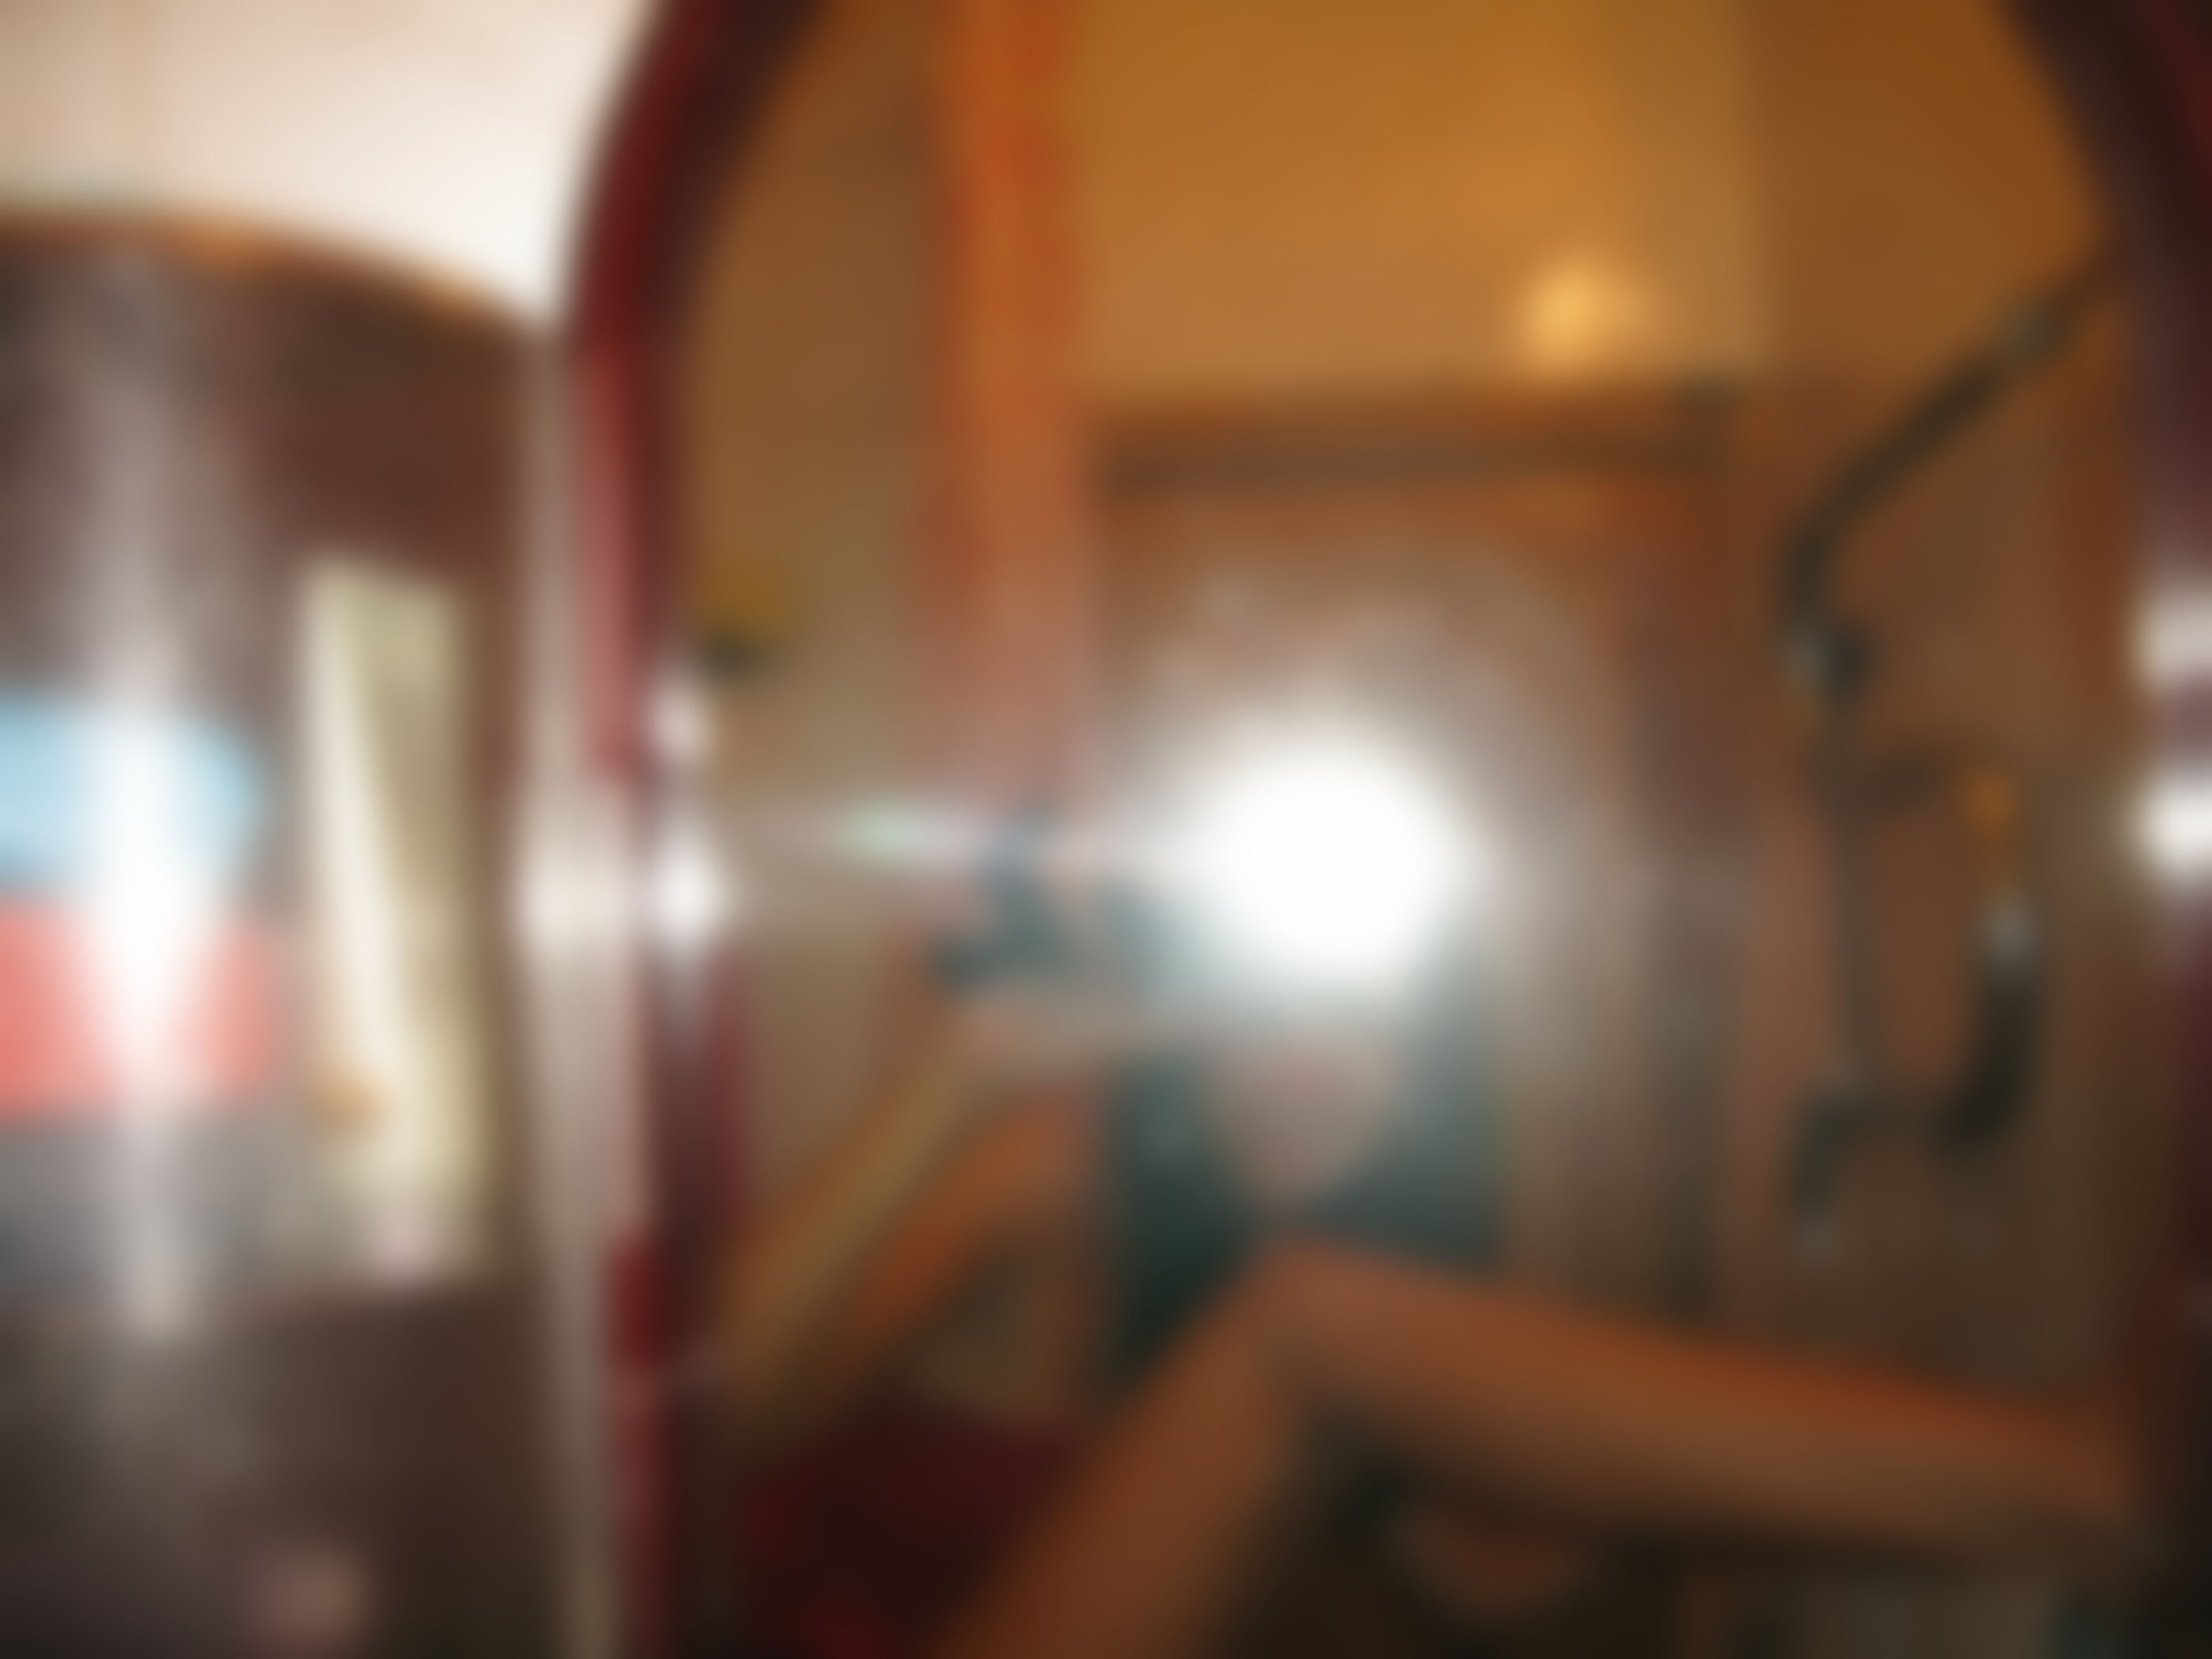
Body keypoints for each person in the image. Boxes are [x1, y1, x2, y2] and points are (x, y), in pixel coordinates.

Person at [717, 855, 2143, 1659]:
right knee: (1303, 1327)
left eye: (1356, 1019)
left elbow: (1493, 1595)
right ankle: (2100, 1479)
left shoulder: (1421, 1272)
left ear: (1440, 1058)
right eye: (1256, 1012)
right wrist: (960, 1073)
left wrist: (1711, 1483)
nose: (1292, 1069)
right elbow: (691, 1437)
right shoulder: (1061, 1176)